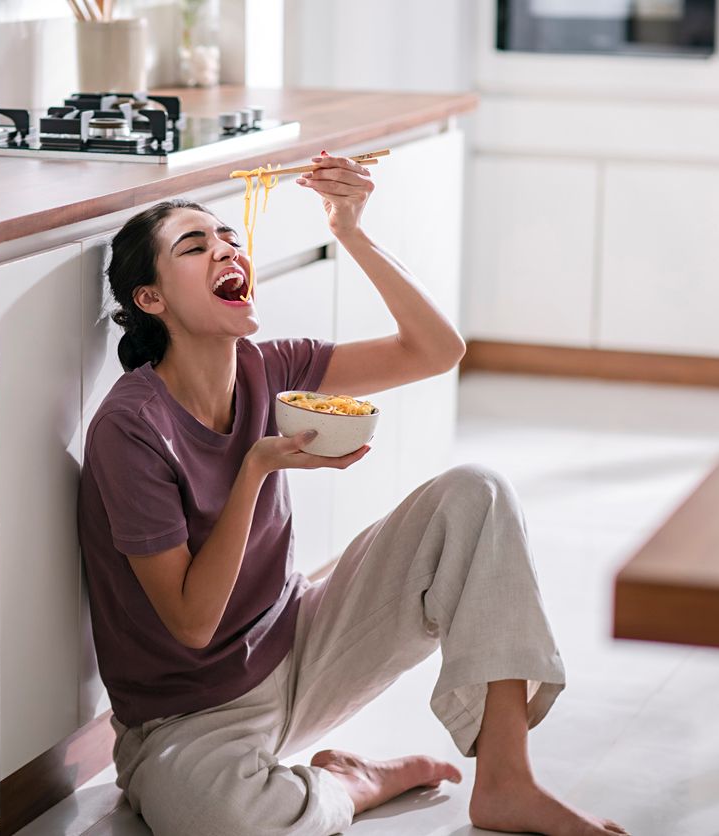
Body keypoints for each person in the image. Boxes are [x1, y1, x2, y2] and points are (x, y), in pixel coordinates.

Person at [76, 152, 628, 835]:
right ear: (149, 300)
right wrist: (254, 470)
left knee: (474, 493)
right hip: (186, 716)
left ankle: (507, 782)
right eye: (195, 246)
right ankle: (350, 783)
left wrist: (353, 231)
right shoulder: (130, 428)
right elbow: (191, 623)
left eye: (230, 240)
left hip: (298, 646)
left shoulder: (268, 366)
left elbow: (433, 350)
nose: (225, 250)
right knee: (228, 823)